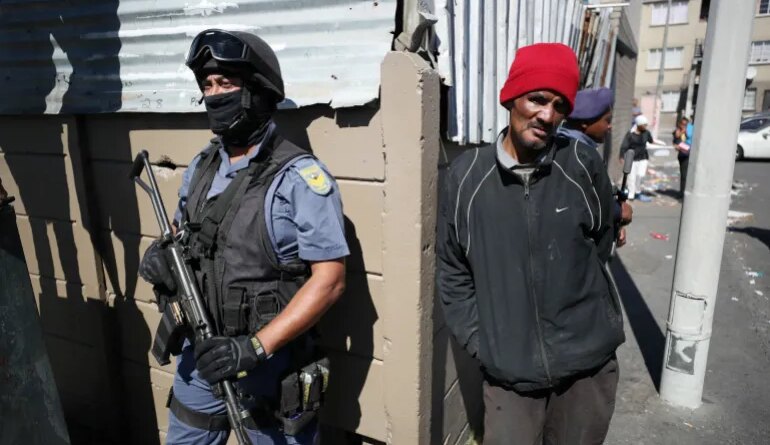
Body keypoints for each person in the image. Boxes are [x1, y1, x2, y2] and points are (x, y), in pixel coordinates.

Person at [138, 29, 349, 444]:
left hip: (270, 366)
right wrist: (159, 259)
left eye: (227, 83)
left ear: (257, 91)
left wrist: (254, 347)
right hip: (201, 354)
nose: (215, 94)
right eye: (208, 85)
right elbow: (181, 238)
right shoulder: (202, 166)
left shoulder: (300, 179)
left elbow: (330, 280)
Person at [437, 43, 624, 445]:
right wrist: (485, 344)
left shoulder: (580, 163)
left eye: (560, 106)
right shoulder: (465, 178)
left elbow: (601, 243)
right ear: (511, 97)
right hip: (509, 376)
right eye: (537, 98)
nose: (547, 115)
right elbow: (452, 270)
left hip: (587, 368)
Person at [558, 87, 633, 247]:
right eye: (607, 120)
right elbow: (579, 206)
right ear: (585, 123)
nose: (609, 127)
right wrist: (619, 212)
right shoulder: (580, 156)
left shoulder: (569, 147)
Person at [620, 115, 662, 201]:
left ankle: (638, 193)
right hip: (633, 159)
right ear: (639, 125)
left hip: (643, 158)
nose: (646, 126)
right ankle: (631, 194)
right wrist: (622, 157)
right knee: (631, 177)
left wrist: (661, 144)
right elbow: (624, 146)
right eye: (644, 125)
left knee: (640, 176)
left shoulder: (646, 133)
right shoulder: (630, 134)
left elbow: (651, 140)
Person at [672, 116, 693, 197]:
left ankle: (685, 191)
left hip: (689, 154)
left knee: (688, 174)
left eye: (686, 124)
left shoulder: (690, 132)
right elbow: (675, 141)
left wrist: (685, 132)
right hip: (682, 155)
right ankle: (682, 192)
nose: (684, 126)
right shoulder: (677, 132)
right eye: (682, 124)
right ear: (679, 124)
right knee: (683, 174)